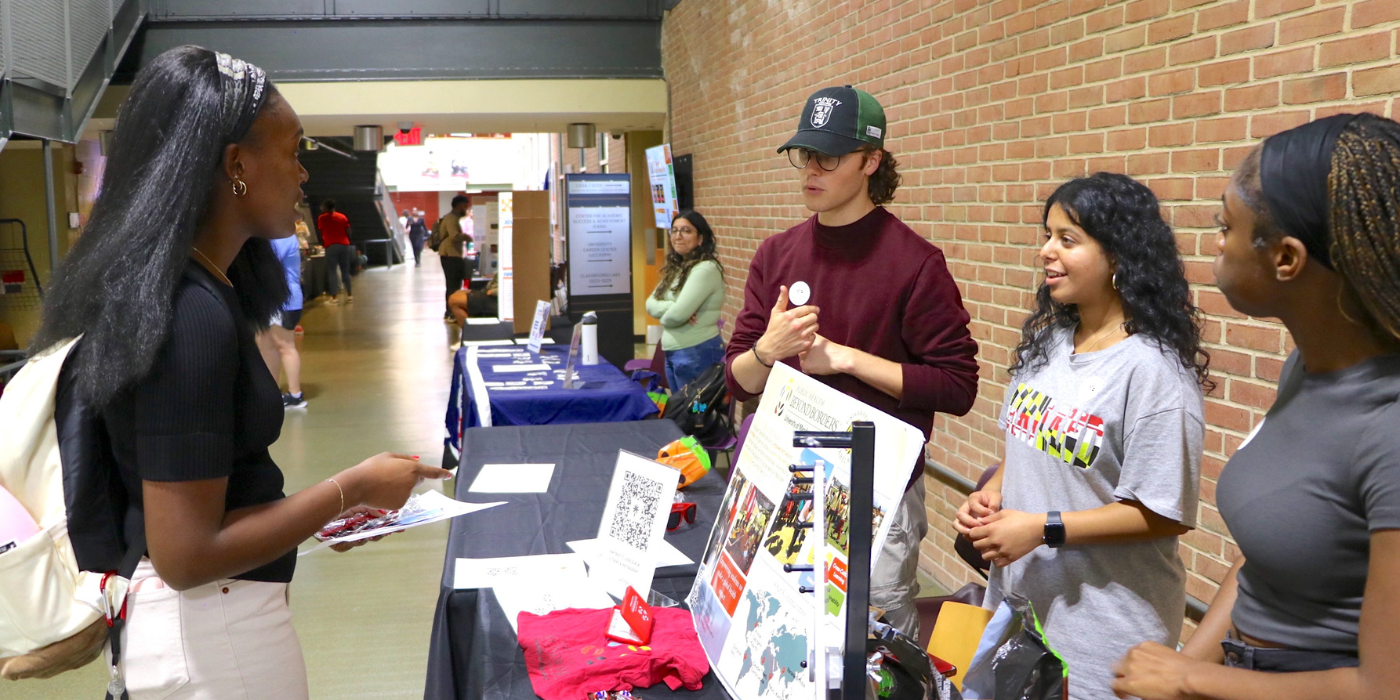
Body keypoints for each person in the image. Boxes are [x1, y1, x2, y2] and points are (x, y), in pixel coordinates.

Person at [27, 46, 450, 699]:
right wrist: (352, 484)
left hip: (202, 625)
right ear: (237, 166)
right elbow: (187, 552)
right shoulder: (188, 314)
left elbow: (201, 499)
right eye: (291, 151)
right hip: (211, 640)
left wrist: (320, 514)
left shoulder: (196, 292)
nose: (303, 173)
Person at [1112, 114, 1400, 700]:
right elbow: (1266, 562)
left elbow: (1383, 686)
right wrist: (1185, 663)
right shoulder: (1308, 366)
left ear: (1286, 259)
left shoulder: (1389, 430)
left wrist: (1190, 678)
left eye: (1227, 225)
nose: (1216, 242)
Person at [725, 85, 979, 639]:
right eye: (804, 155)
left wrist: (844, 359)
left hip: (875, 491)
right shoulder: (776, 254)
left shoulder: (914, 263)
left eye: (830, 157)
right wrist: (768, 351)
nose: (811, 170)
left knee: (873, 649)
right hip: (789, 480)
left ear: (871, 161)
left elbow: (957, 386)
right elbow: (737, 380)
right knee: (791, 638)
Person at [953, 173, 1209, 700]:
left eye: (1068, 240)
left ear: (1118, 255)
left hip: (1101, 635)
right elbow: (1026, 444)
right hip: (1020, 613)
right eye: (1047, 235)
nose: (1047, 251)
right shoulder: (1049, 342)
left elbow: (1162, 511)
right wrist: (993, 493)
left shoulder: (1154, 372)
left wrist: (1042, 528)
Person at [646, 210, 726, 391]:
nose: (678, 236)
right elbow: (650, 304)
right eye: (674, 230)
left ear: (701, 238)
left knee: (697, 411)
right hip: (674, 351)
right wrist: (673, 307)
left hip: (696, 352)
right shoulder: (678, 268)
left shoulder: (705, 269)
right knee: (680, 411)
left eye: (686, 231)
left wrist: (672, 315)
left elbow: (676, 316)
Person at [257, 232, 307, 408]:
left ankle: (295, 394)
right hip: (272, 300)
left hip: (284, 300)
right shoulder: (271, 235)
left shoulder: (282, 236)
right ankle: (273, 391)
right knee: (267, 346)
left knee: (285, 347)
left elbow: (265, 263)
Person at [431, 195, 472, 321]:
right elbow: (454, 236)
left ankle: (450, 311)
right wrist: (467, 237)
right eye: (465, 206)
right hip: (450, 256)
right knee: (453, 285)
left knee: (453, 284)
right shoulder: (452, 219)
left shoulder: (452, 218)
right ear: (459, 206)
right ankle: (450, 312)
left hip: (451, 255)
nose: (466, 209)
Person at [317, 198, 353, 304]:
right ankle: (350, 295)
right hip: (345, 245)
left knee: (332, 271)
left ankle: (334, 298)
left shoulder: (322, 218)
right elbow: (348, 231)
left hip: (331, 245)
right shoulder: (342, 216)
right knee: (345, 271)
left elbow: (321, 230)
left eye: (322, 206)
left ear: (326, 207)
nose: (321, 208)